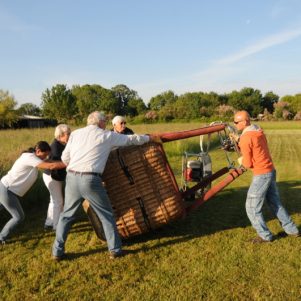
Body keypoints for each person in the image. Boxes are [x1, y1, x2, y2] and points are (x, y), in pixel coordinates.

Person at [52, 111, 161, 261]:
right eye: (105, 121)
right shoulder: (106, 135)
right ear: (101, 122)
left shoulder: (76, 134)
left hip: (71, 177)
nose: (106, 124)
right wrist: (150, 138)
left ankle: (57, 252)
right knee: (106, 215)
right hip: (90, 179)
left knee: (66, 216)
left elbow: (65, 158)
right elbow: (130, 139)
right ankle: (115, 250)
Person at [233, 110, 299, 243]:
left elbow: (247, 163)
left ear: (245, 121)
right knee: (275, 202)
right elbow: (252, 143)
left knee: (251, 207)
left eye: (236, 122)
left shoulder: (246, 138)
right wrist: (238, 140)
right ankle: (292, 230)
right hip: (270, 170)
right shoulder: (257, 130)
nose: (234, 124)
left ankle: (265, 235)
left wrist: (240, 161)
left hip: (261, 174)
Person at [0, 141, 66, 244]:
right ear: (38, 151)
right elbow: (49, 166)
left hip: (5, 187)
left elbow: (49, 162)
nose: (46, 157)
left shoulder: (32, 157)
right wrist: (67, 163)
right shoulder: (29, 157)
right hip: (7, 190)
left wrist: (60, 161)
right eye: (45, 155)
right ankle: (1, 238)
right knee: (18, 217)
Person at [43, 124, 71, 231]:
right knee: (58, 201)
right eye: (68, 133)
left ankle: (49, 223)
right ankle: (57, 226)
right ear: (60, 135)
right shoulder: (55, 146)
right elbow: (55, 162)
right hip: (52, 176)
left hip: (53, 175)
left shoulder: (62, 143)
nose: (70, 135)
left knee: (54, 200)